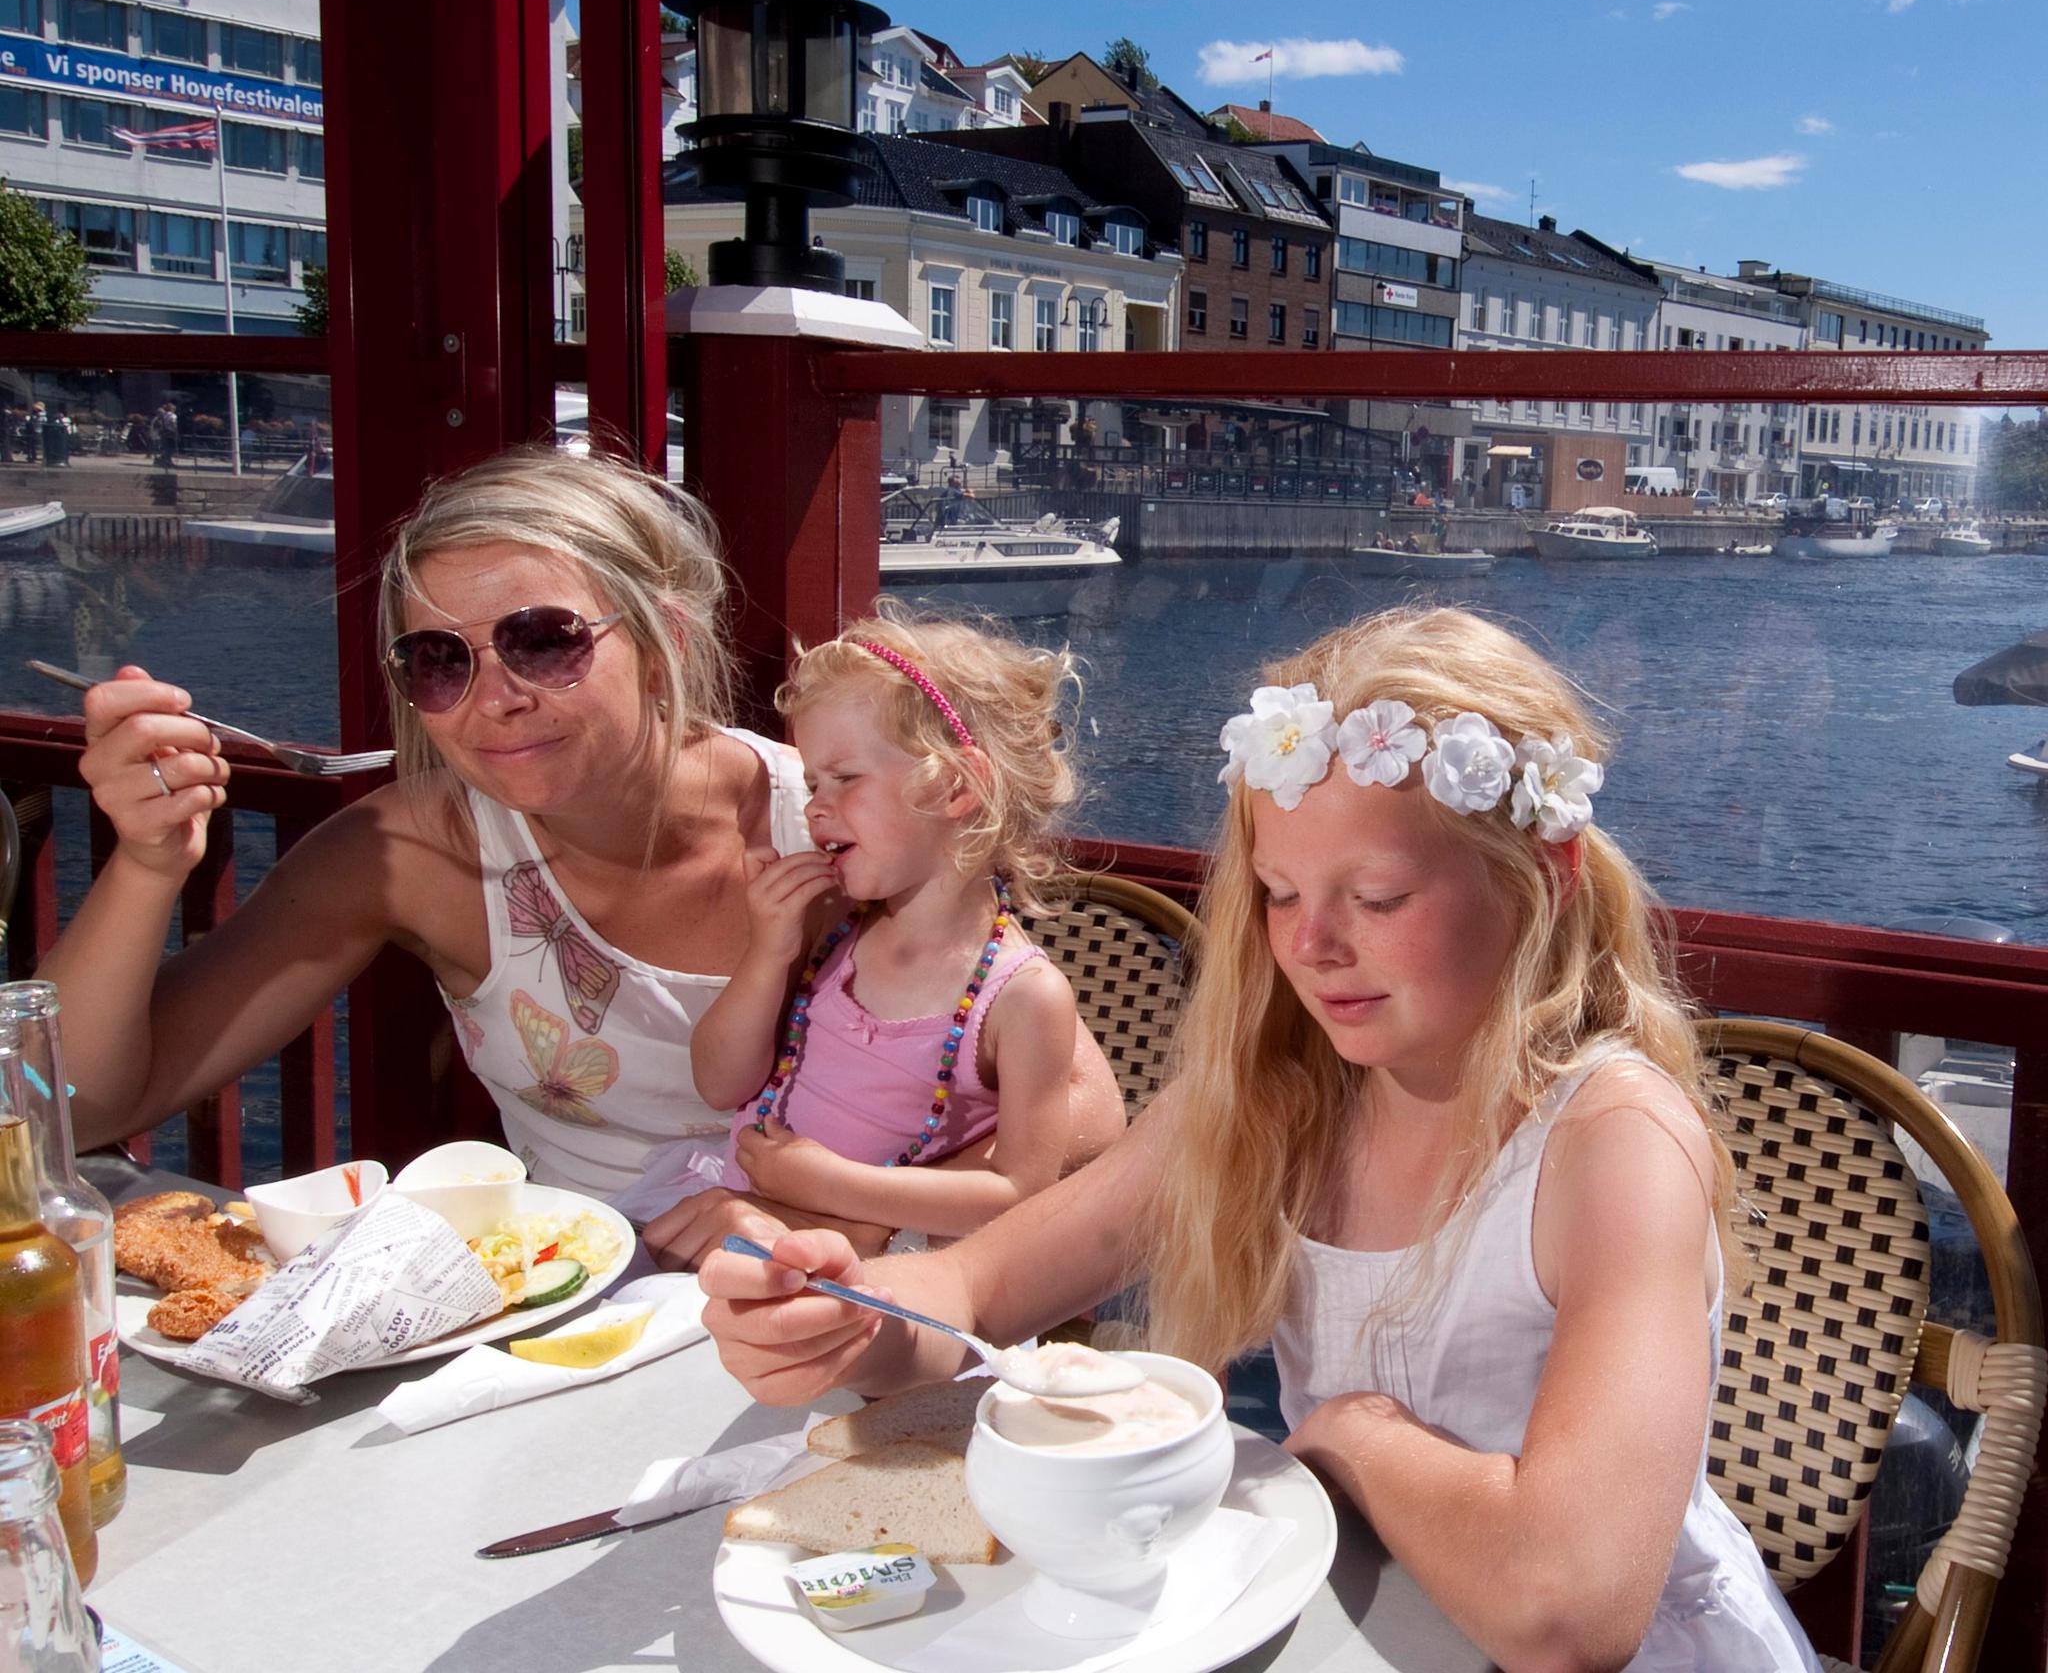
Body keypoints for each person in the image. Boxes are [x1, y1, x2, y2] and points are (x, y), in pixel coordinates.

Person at [702, 606, 1819, 1672]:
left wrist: (1353, 1432)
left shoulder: (1611, 1142)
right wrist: (848, 1318)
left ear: (1540, 877)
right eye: (1280, 894)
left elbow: (1567, 1609)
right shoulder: (1274, 1091)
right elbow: (972, 1291)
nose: (1314, 946)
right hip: (1356, 1618)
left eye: (1376, 897)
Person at [36, 446, 1123, 1268]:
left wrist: (821, 1208)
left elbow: (1085, 1114)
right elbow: (79, 1107)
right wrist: (145, 862)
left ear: (663, 640)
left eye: (542, 639)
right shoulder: (410, 853)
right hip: (572, 1321)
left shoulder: (833, 823)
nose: (494, 696)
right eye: (438, 660)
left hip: (844, 1305)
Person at [681, 610, 1083, 1247]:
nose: (815, 805)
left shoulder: (1023, 998)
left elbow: (1019, 1194)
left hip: (880, 1273)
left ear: (955, 786)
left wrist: (830, 1185)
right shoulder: (831, 928)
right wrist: (767, 953)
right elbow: (718, 1084)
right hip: (739, 1227)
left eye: (845, 777)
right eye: (813, 782)